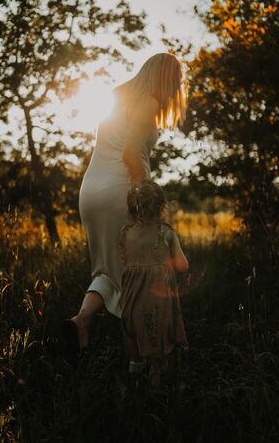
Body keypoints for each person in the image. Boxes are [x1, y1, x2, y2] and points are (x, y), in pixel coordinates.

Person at [65, 52, 187, 353]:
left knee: (106, 270)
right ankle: (137, 361)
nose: (178, 87)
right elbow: (131, 155)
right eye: (177, 80)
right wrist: (145, 197)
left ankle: (81, 321)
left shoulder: (118, 96)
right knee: (135, 276)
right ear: (166, 78)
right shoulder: (149, 102)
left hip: (91, 192)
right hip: (121, 191)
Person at [119, 181, 189, 387]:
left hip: (130, 305)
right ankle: (155, 400)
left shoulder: (125, 232)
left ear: (132, 207)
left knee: (135, 346)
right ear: (161, 206)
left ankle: (133, 380)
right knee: (158, 352)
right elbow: (183, 266)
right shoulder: (165, 234)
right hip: (157, 307)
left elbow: (126, 261)